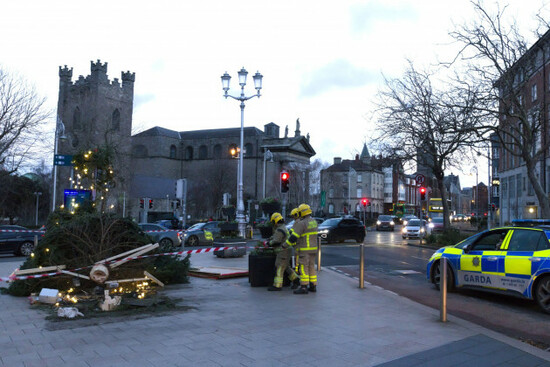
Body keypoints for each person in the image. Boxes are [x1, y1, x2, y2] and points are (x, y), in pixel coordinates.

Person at [285, 203, 319, 294]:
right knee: (312, 267)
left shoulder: (302, 223)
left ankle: (303, 286)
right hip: (314, 249)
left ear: (301, 213)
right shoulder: (314, 222)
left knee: (303, 268)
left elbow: (293, 237)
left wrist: (285, 245)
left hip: (304, 249)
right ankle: (313, 285)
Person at [267, 212, 300, 291]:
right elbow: (276, 237)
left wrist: (269, 243)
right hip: (286, 250)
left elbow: (277, 241)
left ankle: (277, 285)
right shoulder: (283, 227)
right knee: (286, 267)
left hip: (282, 251)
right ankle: (296, 279)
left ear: (275, 221)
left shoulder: (279, 229)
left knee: (279, 267)